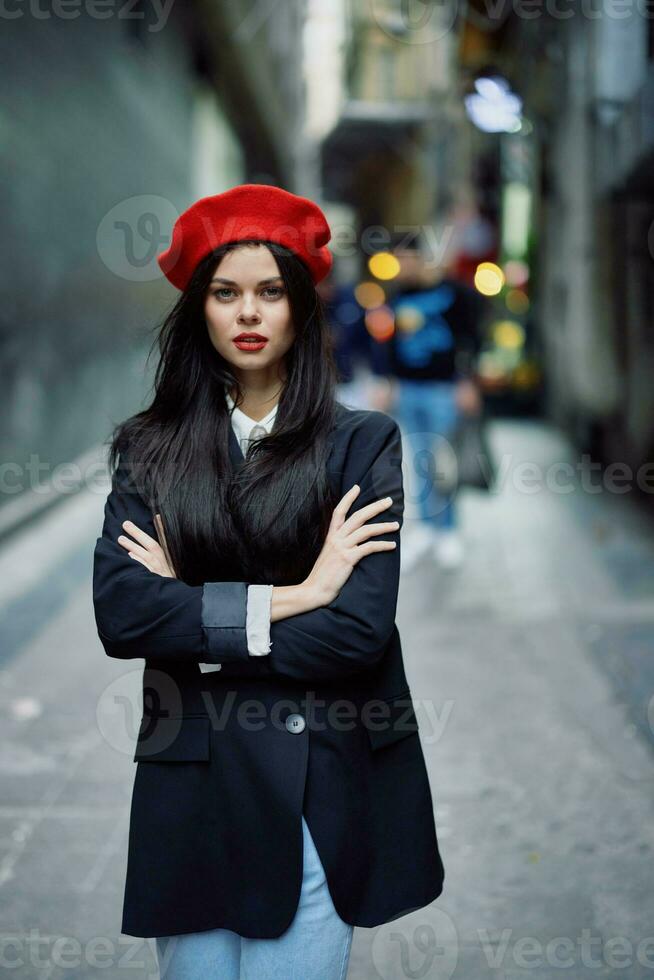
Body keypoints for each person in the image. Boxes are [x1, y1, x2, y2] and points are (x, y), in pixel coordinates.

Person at [92, 184, 445, 980]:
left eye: (269, 292)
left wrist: (194, 614)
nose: (248, 313)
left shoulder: (360, 444)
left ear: (298, 309)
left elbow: (355, 632)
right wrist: (300, 592)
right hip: (191, 781)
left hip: (315, 774)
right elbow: (123, 615)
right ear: (200, 310)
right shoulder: (148, 450)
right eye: (225, 293)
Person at [369, 233, 485, 570]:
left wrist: (467, 382)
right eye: (397, 260)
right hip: (408, 388)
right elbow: (388, 341)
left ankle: (449, 530)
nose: (400, 267)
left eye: (405, 259)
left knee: (443, 463)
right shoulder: (398, 296)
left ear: (422, 258)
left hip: (443, 389)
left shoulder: (455, 292)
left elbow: (471, 338)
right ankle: (428, 529)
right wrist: (388, 380)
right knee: (419, 460)